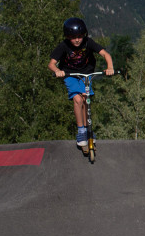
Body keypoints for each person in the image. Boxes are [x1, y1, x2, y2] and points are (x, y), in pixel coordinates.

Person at [48, 17, 114, 147]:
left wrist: (110, 67)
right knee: (78, 100)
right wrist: (57, 71)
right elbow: (51, 64)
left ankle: (88, 129)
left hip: (87, 74)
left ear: (84, 35)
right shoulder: (63, 46)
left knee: (85, 99)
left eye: (80, 36)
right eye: (73, 37)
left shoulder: (88, 42)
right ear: (67, 36)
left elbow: (106, 54)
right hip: (70, 75)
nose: (77, 40)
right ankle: (81, 131)